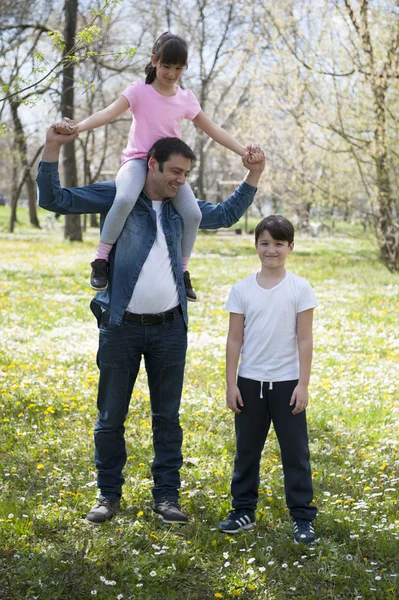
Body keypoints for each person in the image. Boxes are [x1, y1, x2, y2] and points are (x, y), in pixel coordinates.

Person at [36, 124, 265, 525]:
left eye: (185, 174)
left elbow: (227, 214)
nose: (180, 180)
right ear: (152, 164)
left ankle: (166, 496)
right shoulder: (119, 196)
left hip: (169, 329)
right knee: (110, 416)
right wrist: (53, 147)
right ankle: (107, 494)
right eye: (174, 171)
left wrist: (254, 174)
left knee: (167, 417)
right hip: (120, 325)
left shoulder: (182, 207)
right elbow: (55, 199)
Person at [55, 32, 250, 300]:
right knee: (124, 198)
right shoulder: (139, 91)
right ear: (154, 61)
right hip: (137, 161)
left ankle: (182, 270)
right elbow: (108, 113)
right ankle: (101, 260)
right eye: (167, 66)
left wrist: (243, 151)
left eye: (178, 68)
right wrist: (78, 127)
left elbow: (213, 129)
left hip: (168, 166)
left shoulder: (185, 98)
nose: (171, 73)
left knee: (193, 215)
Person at [218, 215, 318, 544]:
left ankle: (302, 517)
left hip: (288, 385)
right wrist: (231, 383)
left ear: (290, 247)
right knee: (246, 453)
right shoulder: (242, 289)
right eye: (265, 243)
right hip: (249, 384)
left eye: (278, 244)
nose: (271, 250)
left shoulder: (300, 289)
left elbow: (305, 339)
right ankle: (242, 511)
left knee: (295, 454)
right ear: (256, 246)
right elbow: (235, 340)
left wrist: (302, 384)